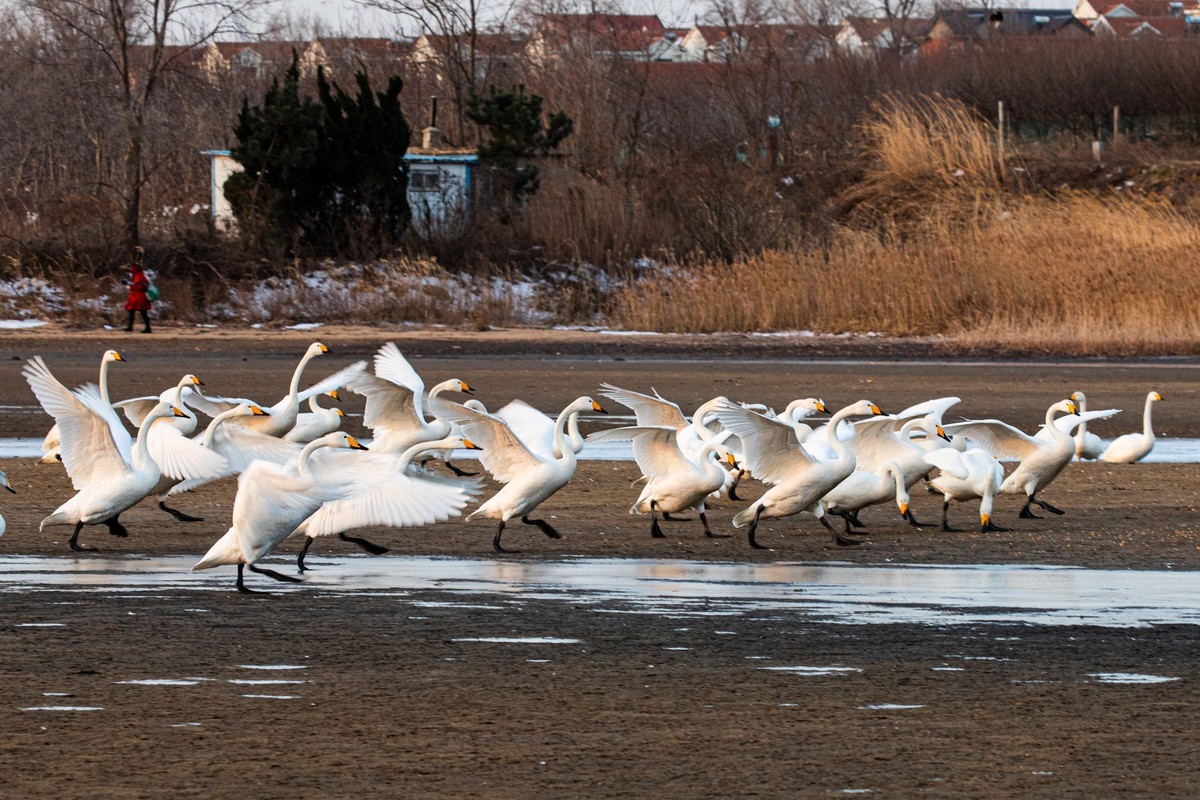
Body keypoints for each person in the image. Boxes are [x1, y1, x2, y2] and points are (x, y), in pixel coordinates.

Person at [122, 249, 152, 333]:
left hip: (139, 296)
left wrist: (127, 286)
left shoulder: (139, 277)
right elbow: (136, 284)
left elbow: (138, 286)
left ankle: (147, 328)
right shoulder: (139, 275)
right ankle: (130, 326)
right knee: (133, 311)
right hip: (136, 296)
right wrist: (128, 284)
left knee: (142, 312)